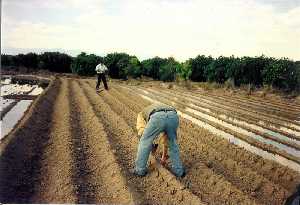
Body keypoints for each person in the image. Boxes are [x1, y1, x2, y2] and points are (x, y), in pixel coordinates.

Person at [133, 102, 185, 177]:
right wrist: (163, 157)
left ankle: (139, 171)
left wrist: (150, 145)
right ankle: (179, 172)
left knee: (144, 141)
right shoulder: (158, 107)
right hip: (173, 116)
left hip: (157, 117)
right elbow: (165, 139)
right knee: (172, 143)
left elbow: (142, 133)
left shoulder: (141, 114)